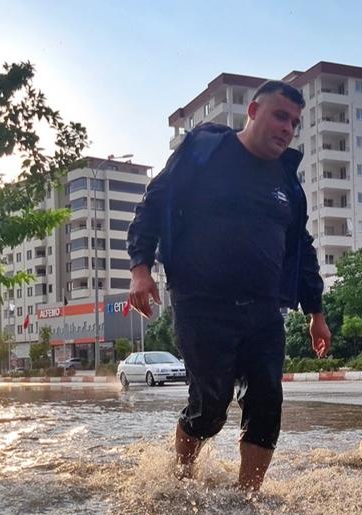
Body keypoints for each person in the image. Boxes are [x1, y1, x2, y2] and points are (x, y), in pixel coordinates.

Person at [126, 80, 331, 491]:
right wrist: (140, 268)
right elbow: (154, 202)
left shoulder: (288, 183)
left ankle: (247, 498)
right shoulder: (206, 152)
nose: (288, 128)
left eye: (294, 121)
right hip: (201, 303)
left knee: (267, 401)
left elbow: (300, 248)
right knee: (210, 407)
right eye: (279, 116)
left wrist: (316, 313)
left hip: (264, 307)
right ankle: (181, 478)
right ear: (253, 112)